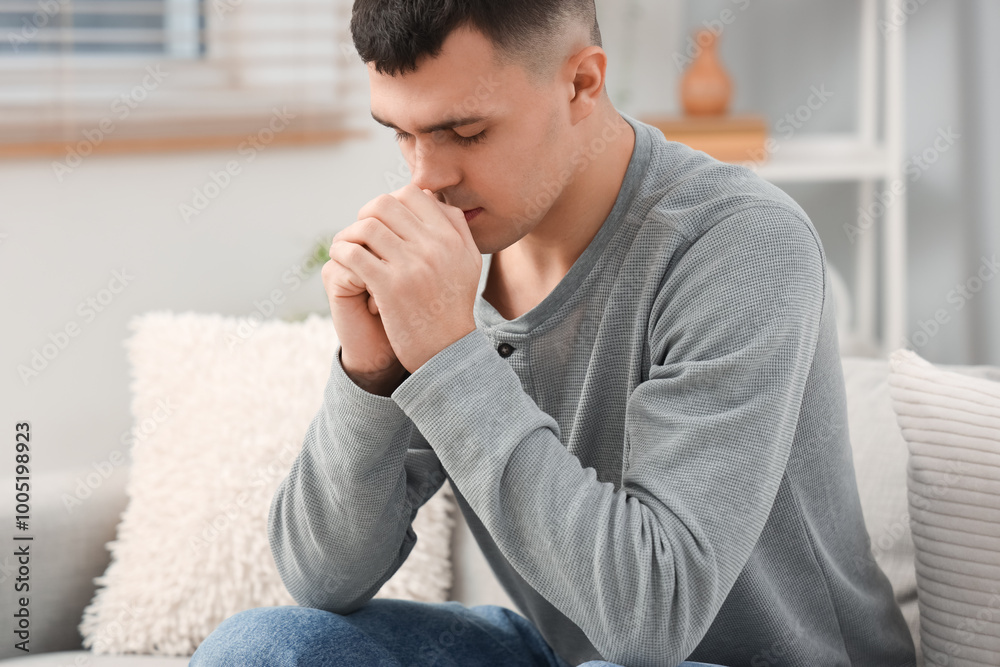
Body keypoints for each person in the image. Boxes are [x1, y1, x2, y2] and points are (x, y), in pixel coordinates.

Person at [191, 1, 918, 666]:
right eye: (402, 133)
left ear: (581, 83)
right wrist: (371, 372)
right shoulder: (453, 260)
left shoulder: (742, 244)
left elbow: (653, 619)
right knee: (260, 650)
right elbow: (322, 577)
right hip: (566, 655)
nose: (427, 178)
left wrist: (448, 355)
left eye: (466, 132)